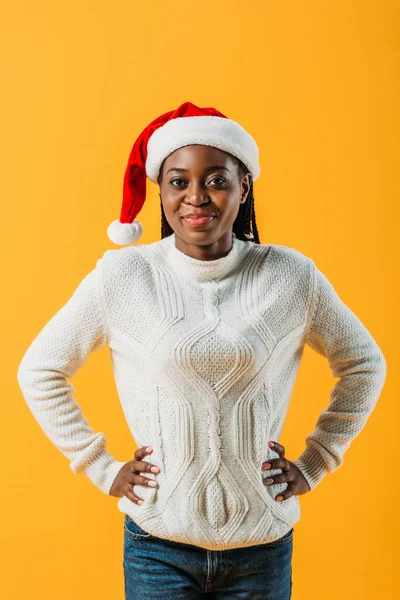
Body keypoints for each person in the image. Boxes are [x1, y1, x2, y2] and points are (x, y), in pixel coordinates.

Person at [17, 101, 387, 599]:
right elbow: (40, 370)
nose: (196, 197)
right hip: (158, 545)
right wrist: (99, 466)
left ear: (244, 187)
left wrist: (317, 459)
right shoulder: (124, 277)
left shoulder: (290, 275)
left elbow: (365, 364)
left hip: (262, 544)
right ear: (161, 190)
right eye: (178, 181)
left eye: (216, 180)